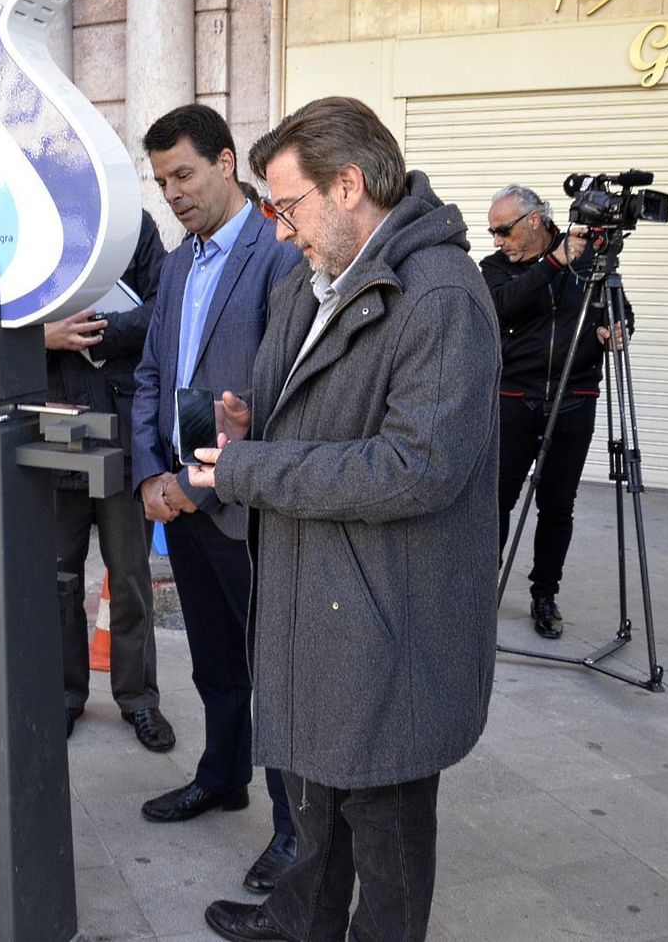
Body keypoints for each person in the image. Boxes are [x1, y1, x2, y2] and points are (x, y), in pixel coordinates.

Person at [187, 96, 500, 942]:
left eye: (288, 206)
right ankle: (300, 922)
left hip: (393, 613)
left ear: (349, 185)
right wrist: (259, 422)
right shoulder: (312, 280)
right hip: (322, 593)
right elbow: (316, 411)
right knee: (320, 787)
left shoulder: (440, 299)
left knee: (387, 818)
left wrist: (255, 466)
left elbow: (418, 468)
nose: (280, 230)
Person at [132, 103, 304, 895]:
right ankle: (221, 775)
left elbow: (286, 395)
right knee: (214, 662)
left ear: (227, 162)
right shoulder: (176, 262)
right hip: (180, 496)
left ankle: (295, 830)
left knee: (275, 669)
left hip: (243, 507)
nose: (172, 192)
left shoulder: (278, 256)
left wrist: (195, 484)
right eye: (162, 179)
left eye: (185, 175)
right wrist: (148, 477)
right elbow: (152, 380)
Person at [481, 185, 633, 640]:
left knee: (557, 506)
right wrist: (554, 262)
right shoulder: (495, 270)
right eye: (492, 231)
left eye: (503, 230)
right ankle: (480, 589)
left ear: (534, 221)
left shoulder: (591, 262)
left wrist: (618, 327)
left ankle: (544, 595)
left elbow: (620, 307)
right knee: (496, 502)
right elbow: (502, 307)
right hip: (514, 400)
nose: (496, 240)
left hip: (574, 397)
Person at [45, 211, 173, 749]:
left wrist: (96, 335)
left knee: (129, 576)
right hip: (52, 427)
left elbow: (165, 309)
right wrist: (44, 337)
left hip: (122, 428)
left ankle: (138, 699)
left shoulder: (131, 223)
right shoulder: (30, 221)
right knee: (58, 576)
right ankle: (63, 694)